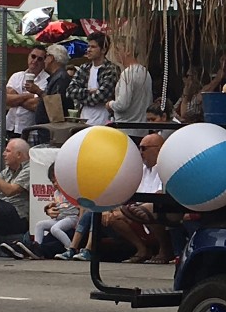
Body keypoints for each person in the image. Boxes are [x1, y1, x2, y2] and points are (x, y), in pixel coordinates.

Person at [101, 133, 169, 263]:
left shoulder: (166, 168)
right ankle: (142, 250)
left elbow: (161, 194)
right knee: (112, 216)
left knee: (152, 209)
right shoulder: (138, 169)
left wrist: (133, 210)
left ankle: (165, 251)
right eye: (139, 148)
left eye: (144, 148)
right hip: (134, 210)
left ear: (159, 149)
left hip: (156, 210)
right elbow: (122, 191)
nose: (140, 152)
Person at [68, 32, 118, 126]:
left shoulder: (111, 69)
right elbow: (70, 92)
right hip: (83, 120)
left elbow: (101, 97)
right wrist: (89, 91)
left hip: (103, 121)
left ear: (103, 50)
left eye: (93, 47)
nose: (88, 50)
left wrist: (80, 96)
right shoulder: (84, 67)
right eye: (88, 46)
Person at [4, 47, 49, 140]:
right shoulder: (16, 76)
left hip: (30, 131)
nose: (35, 60)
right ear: (28, 57)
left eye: (40, 59)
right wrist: (29, 95)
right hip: (10, 127)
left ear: (44, 61)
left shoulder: (47, 80)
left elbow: (36, 105)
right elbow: (6, 100)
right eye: (33, 56)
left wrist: (16, 98)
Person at [109, 37, 154, 124]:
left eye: (117, 49)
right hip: (141, 127)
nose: (115, 53)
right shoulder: (145, 72)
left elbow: (122, 105)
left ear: (128, 51)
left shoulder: (127, 74)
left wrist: (110, 104)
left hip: (126, 126)